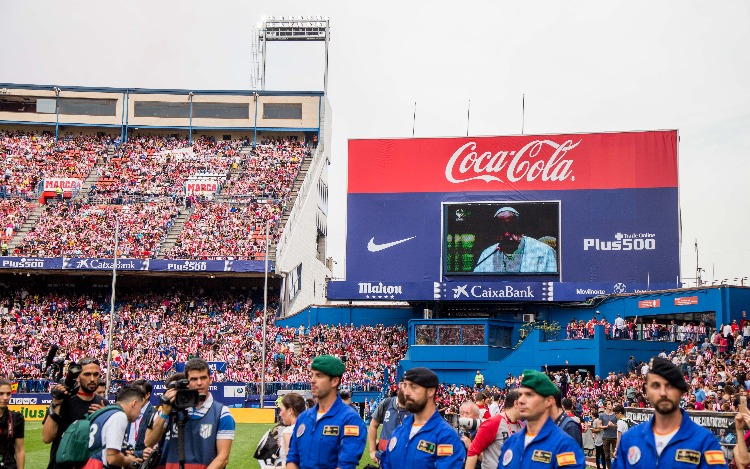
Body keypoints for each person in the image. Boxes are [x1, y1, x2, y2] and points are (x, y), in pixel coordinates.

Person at [612, 357, 727, 468]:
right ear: (647, 390)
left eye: (670, 386)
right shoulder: (629, 439)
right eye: (656, 385)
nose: (663, 393)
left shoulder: (705, 443)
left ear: (681, 390)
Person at [146, 359, 235, 469]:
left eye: (203, 378)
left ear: (210, 380)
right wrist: (164, 412)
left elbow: (223, 458)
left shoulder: (222, 413)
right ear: (186, 382)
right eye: (193, 379)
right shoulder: (172, 408)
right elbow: (149, 442)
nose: (199, 383)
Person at [286, 355, 367, 469]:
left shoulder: (350, 419)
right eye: (312, 375)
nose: (312, 380)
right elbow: (292, 457)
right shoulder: (303, 418)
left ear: (334, 381)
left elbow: (345, 464)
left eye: (319, 376)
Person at [497, 369, 584, 468]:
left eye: (529, 395)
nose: (521, 400)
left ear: (548, 401)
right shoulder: (511, 443)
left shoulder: (565, 446)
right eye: (520, 395)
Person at [380, 367, 465, 468]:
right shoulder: (399, 432)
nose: (406, 392)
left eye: (413, 387)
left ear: (430, 391)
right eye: (405, 386)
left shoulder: (446, 437)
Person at [42, 357, 106, 469]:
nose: (92, 379)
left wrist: (103, 417)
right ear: (78, 377)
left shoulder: (103, 404)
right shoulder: (63, 401)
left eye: (96, 374)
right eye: (87, 374)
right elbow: (47, 438)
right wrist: (56, 404)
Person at [473, 206, 557, 273]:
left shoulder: (543, 251)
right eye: (502, 229)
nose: (506, 234)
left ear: (521, 231)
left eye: (511, 227)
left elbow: (551, 287)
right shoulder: (487, 254)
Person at [82, 386, 149, 469]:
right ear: (134, 403)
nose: (140, 412)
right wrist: (129, 461)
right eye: (140, 407)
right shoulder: (119, 416)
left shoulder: (106, 412)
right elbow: (112, 458)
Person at [466, 389, 522, 469]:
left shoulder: (522, 426)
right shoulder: (493, 423)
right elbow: (473, 452)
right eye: (524, 403)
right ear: (516, 403)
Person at [368, 381, 411, 465]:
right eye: (405, 386)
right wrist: (372, 450)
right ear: (400, 385)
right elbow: (373, 425)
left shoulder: (417, 409)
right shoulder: (386, 403)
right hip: (384, 458)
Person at [127, 379, 156, 461]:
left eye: (137, 394)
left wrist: (136, 454)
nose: (134, 397)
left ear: (147, 395)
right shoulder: (126, 413)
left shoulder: (155, 415)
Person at [0, 379, 25, 469]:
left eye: (8, 394)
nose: (5, 397)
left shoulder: (17, 418)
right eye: (1, 394)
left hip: (9, 466)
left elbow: (19, 449)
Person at [278, 393, 306, 467]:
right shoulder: (308, 427)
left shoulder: (288, 431)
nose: (280, 414)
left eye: (281, 410)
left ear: (290, 410)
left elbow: (293, 464)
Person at [598, 400, 617, 468]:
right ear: (605, 406)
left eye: (611, 404)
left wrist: (613, 425)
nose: (610, 405)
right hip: (606, 437)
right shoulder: (602, 415)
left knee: (615, 455)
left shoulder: (615, 414)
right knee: (607, 456)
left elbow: (619, 424)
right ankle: (609, 467)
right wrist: (606, 426)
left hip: (615, 437)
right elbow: (599, 425)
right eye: (609, 404)